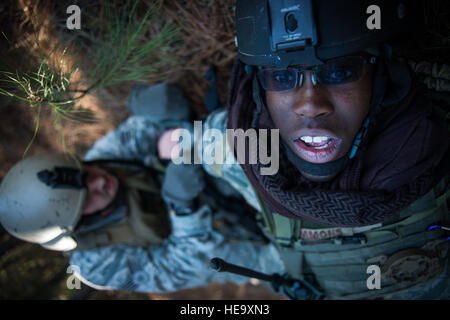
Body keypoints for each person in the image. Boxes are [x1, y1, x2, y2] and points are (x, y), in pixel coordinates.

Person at [193, 0, 450, 299]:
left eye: (339, 72)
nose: (311, 105)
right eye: (282, 77)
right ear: (260, 93)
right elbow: (182, 144)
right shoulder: (239, 149)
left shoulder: (437, 131)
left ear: (382, 75)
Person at [0, 82, 285, 293]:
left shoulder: (106, 157)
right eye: (86, 196)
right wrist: (182, 207)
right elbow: (189, 266)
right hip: (247, 247)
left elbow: (150, 130)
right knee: (293, 264)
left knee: (215, 136)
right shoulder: (97, 266)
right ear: (76, 226)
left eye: (85, 173)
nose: (99, 180)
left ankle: (300, 161)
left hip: (225, 191)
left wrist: (166, 123)